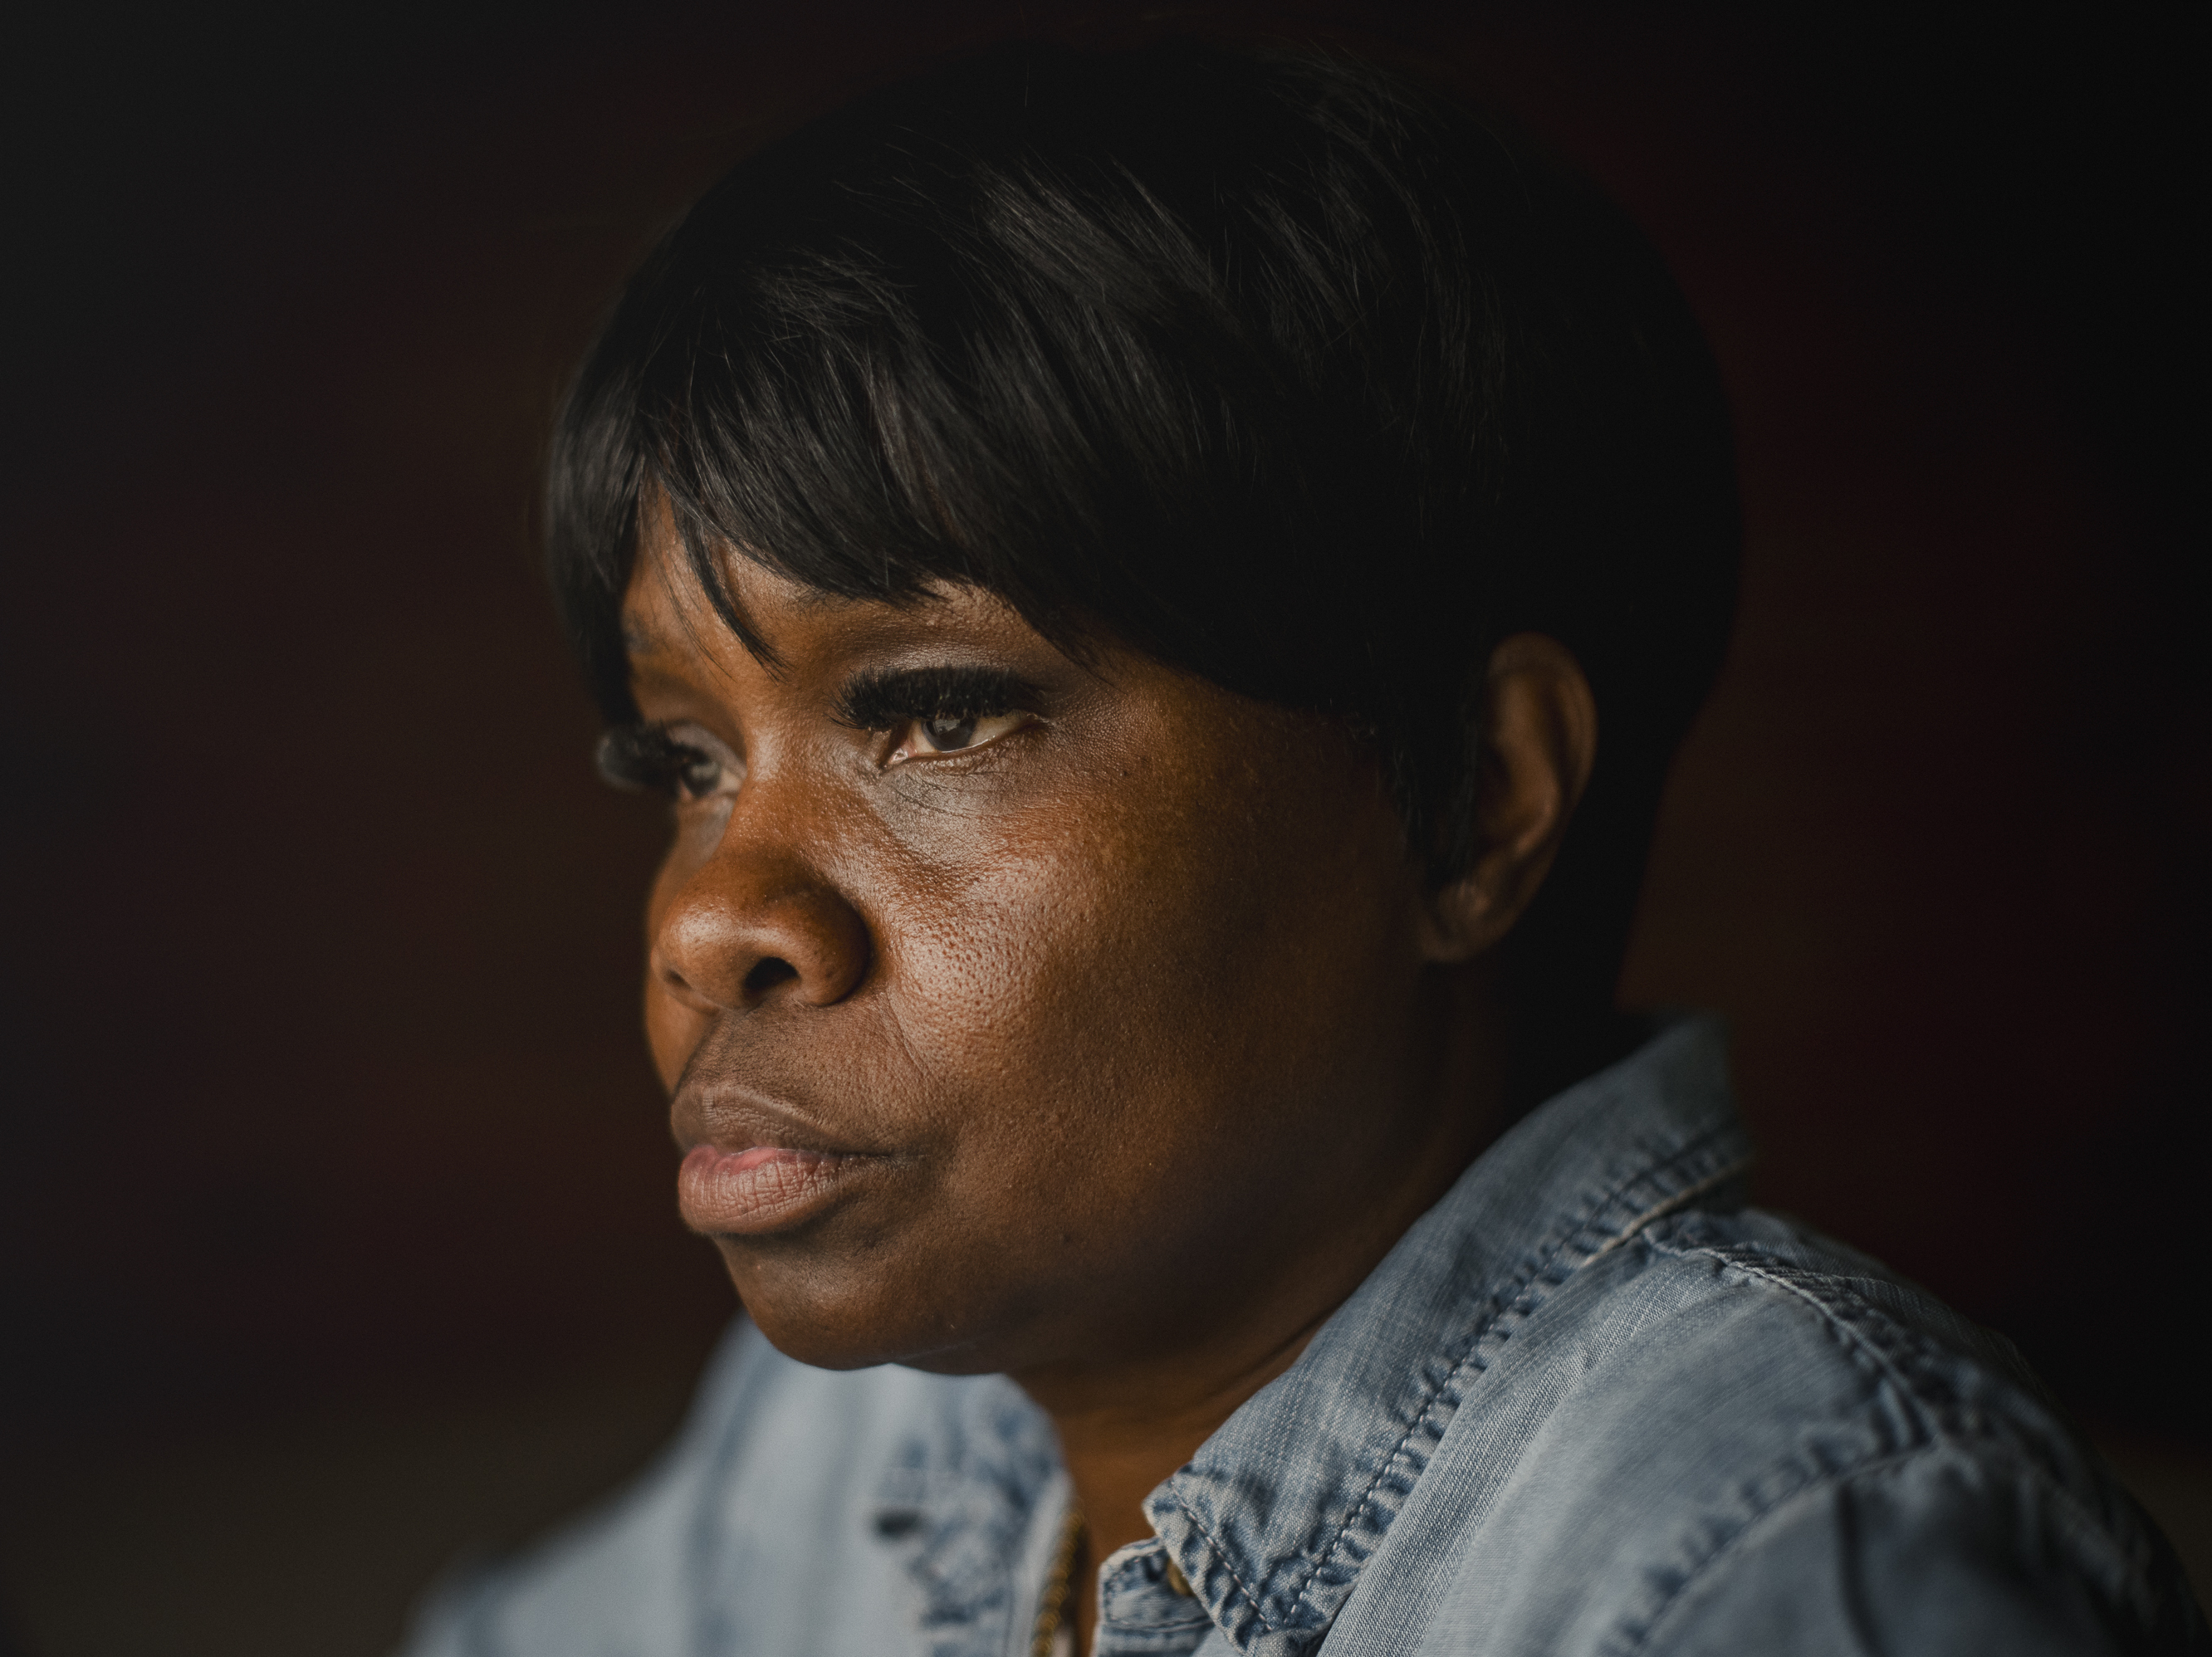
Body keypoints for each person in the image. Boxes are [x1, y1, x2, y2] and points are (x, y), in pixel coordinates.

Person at [402, 37, 2204, 1657]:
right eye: (689, 757)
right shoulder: (880, 1416)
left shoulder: (1777, 1558)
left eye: (939, 713)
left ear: (1475, 799)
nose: (716, 916)